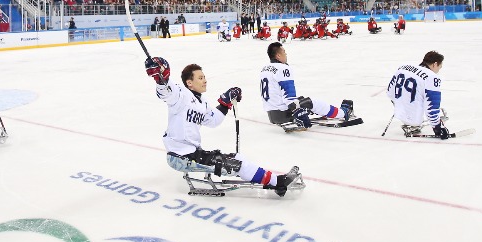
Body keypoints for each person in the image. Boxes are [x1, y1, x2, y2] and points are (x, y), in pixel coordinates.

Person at [144, 56, 301, 197]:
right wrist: (161, 78)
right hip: (180, 156)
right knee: (237, 165)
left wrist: (225, 102)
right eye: (200, 78)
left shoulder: (202, 102)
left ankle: (270, 179)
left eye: (204, 77)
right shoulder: (181, 96)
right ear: (189, 83)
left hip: (192, 153)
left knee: (237, 158)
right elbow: (167, 91)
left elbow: (213, 121)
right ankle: (278, 182)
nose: (205, 80)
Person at [260, 42, 354, 129]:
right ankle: (344, 112)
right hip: (284, 114)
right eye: (284, 52)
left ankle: (323, 112)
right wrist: (297, 111)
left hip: (272, 114)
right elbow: (289, 94)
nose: (286, 54)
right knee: (311, 103)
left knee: (302, 100)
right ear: (278, 55)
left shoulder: (264, 69)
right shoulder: (283, 68)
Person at [387, 51, 449, 139]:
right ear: (435, 64)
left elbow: (390, 92)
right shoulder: (432, 77)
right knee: (443, 113)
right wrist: (438, 128)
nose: (438, 71)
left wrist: (402, 104)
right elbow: (431, 108)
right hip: (414, 119)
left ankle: (409, 117)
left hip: (399, 112)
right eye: (439, 67)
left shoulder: (403, 67)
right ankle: (413, 123)